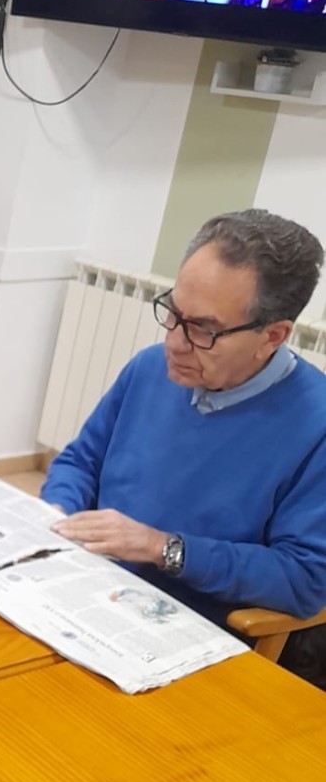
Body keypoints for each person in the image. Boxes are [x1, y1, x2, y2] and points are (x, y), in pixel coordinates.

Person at [43, 209, 326, 686]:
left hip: (192, 643)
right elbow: (80, 461)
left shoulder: (315, 424)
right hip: (89, 593)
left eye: (202, 329)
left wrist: (165, 549)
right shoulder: (149, 368)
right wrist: (57, 510)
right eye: (172, 312)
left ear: (273, 336)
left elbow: (303, 580)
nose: (174, 342)